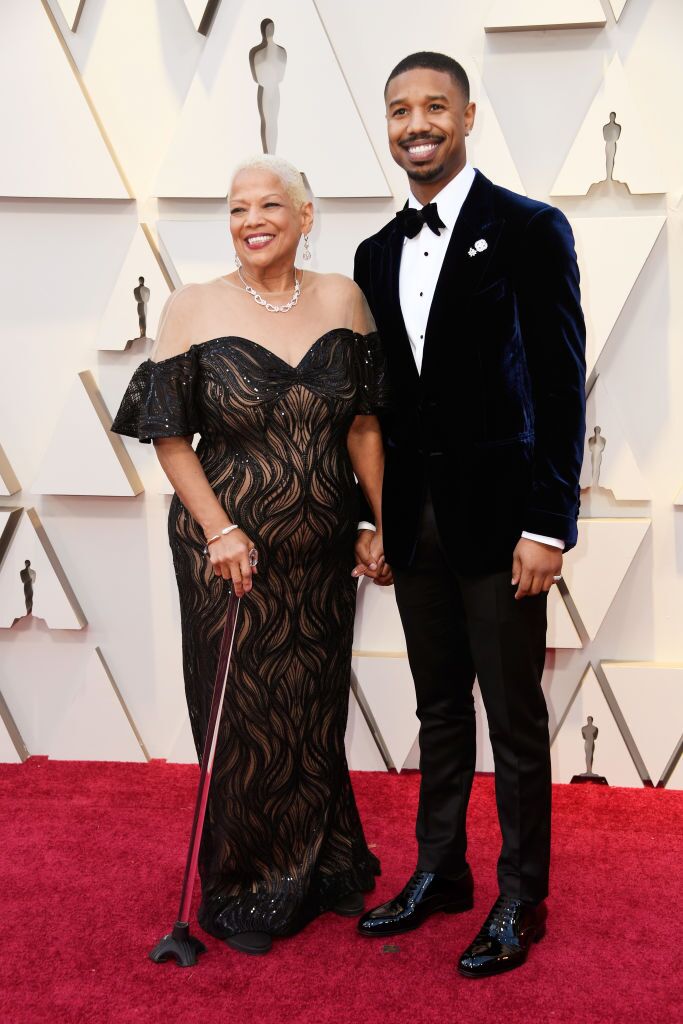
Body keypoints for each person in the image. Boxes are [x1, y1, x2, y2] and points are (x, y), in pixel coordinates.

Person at [112, 154, 387, 956]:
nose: (251, 220)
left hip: (324, 551)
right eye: (236, 209)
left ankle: (323, 865)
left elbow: (364, 424)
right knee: (240, 718)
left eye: (270, 205)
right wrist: (219, 529)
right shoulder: (192, 306)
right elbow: (168, 435)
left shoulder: (343, 297)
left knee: (312, 707)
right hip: (228, 548)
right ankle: (243, 880)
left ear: (306, 216)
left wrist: (379, 522)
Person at [353, 52, 585, 978]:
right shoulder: (375, 252)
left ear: (468, 116)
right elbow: (374, 408)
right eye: (401, 109)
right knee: (439, 710)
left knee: (514, 716)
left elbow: (562, 385)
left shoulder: (528, 229)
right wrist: (372, 520)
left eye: (434, 107)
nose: (417, 123)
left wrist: (548, 523)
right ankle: (440, 872)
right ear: (389, 125)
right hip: (413, 526)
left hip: (502, 526)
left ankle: (521, 896)